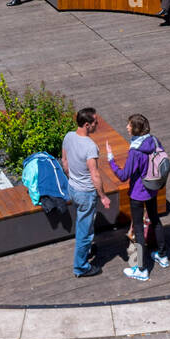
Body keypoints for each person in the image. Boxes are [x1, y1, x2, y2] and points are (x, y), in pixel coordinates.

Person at [105, 113, 169, 281]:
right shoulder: (154, 141)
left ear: (136, 128)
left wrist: (110, 159)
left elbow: (123, 175)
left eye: (129, 125)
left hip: (138, 194)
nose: (127, 127)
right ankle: (162, 256)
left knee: (138, 230)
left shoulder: (135, 151)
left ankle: (141, 269)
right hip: (152, 189)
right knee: (155, 220)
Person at [61, 108, 110, 279]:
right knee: (85, 232)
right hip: (86, 193)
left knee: (84, 223)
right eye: (96, 121)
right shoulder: (90, 146)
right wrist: (103, 196)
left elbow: (65, 162)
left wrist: (71, 179)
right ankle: (80, 267)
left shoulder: (68, 136)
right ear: (87, 125)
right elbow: (94, 174)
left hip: (72, 188)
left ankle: (87, 250)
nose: (98, 124)